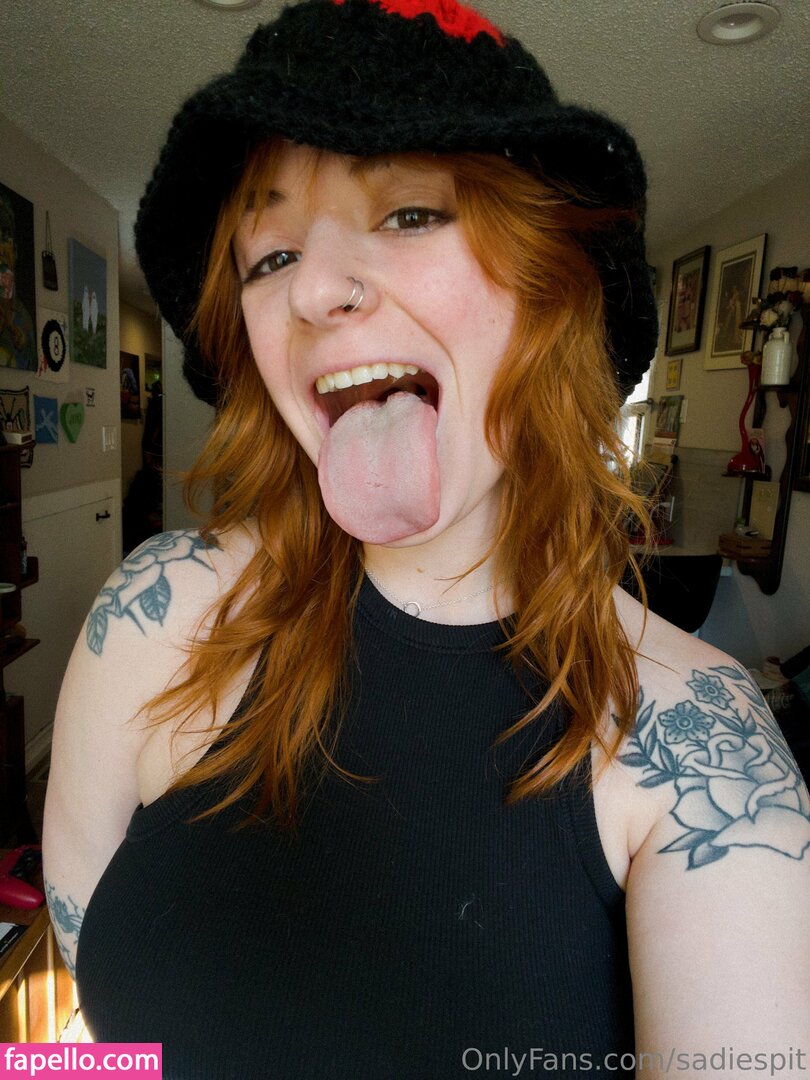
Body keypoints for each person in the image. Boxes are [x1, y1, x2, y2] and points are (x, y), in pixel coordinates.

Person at [43, 1, 810, 1077]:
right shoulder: (154, 614)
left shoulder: (703, 748)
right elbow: (98, 1029)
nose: (312, 289)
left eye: (408, 213)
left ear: (551, 287)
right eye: (269, 256)